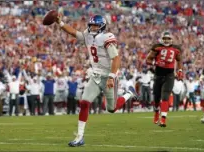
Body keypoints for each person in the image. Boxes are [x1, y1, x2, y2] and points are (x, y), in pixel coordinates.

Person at [56, 14, 137, 147]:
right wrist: (60, 23)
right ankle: (79, 137)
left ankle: (129, 93)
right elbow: (72, 32)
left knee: (111, 109)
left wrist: (112, 77)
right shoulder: (87, 35)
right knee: (84, 103)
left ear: (102, 27)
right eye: (92, 25)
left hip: (108, 76)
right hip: (95, 75)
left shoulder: (107, 37)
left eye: (96, 25)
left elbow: (116, 59)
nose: (93, 28)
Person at [146, 31, 183, 127]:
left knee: (165, 96)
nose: (166, 41)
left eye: (168, 39)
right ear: (162, 39)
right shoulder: (157, 47)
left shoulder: (176, 49)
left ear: (171, 39)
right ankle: (156, 112)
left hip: (169, 75)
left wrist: (180, 70)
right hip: (158, 74)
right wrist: (156, 63)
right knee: (157, 97)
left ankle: (163, 119)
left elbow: (179, 60)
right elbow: (148, 59)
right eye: (165, 39)